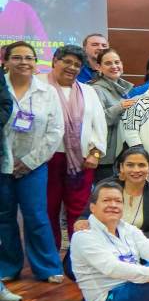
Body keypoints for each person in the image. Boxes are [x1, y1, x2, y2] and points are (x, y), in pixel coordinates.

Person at [1, 41, 64, 282]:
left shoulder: (47, 92)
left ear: (35, 63)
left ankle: (48, 268)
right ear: (6, 61)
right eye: (17, 57)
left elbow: (55, 131)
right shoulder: (1, 88)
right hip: (1, 165)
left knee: (36, 216)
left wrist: (29, 161)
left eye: (29, 58)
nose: (24, 62)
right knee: (4, 218)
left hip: (34, 166)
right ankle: (8, 267)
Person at [45, 45, 107, 249]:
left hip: (82, 161)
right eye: (67, 62)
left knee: (79, 210)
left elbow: (99, 124)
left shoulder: (88, 91)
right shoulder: (40, 86)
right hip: (46, 160)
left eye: (77, 65)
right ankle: (50, 257)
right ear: (55, 61)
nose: (72, 67)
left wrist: (95, 153)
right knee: (47, 209)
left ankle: (78, 256)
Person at [89, 48, 134, 180]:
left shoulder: (124, 89)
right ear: (99, 67)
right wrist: (120, 107)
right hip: (105, 157)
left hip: (122, 153)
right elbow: (96, 122)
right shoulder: (96, 89)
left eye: (117, 62)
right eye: (108, 63)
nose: (114, 66)